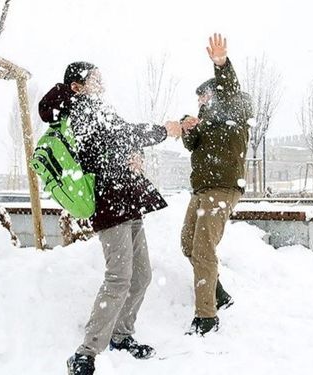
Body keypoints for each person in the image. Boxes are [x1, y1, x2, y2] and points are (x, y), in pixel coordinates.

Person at [39, 62, 182, 375]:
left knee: (141, 275)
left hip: (127, 199)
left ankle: (121, 335)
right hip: (109, 201)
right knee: (119, 276)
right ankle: (85, 353)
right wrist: (164, 131)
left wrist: (136, 156)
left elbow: (120, 141)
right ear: (77, 86)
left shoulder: (97, 107)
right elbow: (122, 135)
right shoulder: (81, 108)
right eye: (94, 78)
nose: (101, 81)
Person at [179, 33, 253, 336]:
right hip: (202, 190)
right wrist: (187, 126)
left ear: (217, 93)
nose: (201, 102)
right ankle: (218, 292)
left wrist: (220, 63)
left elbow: (229, 88)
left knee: (203, 249)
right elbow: (191, 144)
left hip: (222, 189)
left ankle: (207, 317)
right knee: (188, 243)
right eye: (198, 99)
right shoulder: (206, 121)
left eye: (204, 96)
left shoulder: (235, 108)